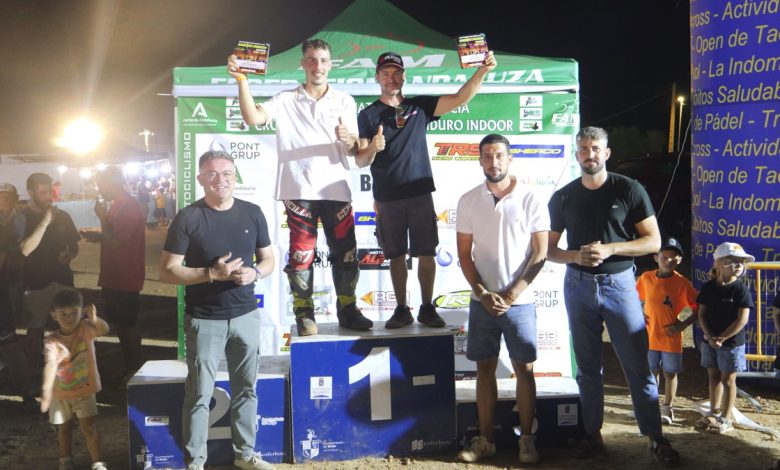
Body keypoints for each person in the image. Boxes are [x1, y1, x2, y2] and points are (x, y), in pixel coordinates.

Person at [547, 126, 679, 466]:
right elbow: (548, 250)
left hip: (619, 285)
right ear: (576, 154)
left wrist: (611, 249)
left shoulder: (629, 189)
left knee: (637, 365)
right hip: (577, 285)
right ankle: (593, 434)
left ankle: (654, 436)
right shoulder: (563, 196)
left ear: (606, 153)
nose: (589, 154)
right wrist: (575, 256)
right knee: (587, 367)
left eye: (595, 148)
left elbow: (653, 241)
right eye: (583, 148)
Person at [228, 38, 371, 336]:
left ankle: (348, 309)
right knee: (301, 254)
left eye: (323, 60)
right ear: (303, 63)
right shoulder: (286, 99)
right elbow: (253, 118)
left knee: (345, 252)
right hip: (298, 190)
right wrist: (242, 81)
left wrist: (349, 139)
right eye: (312, 60)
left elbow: (355, 149)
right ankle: (304, 313)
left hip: (336, 189)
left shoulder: (344, 100)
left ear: (331, 65)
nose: (318, 66)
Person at [356, 50, 496, 329]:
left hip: (420, 193)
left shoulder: (419, 107)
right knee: (395, 256)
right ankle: (401, 309)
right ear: (377, 77)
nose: (392, 78)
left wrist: (482, 70)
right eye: (386, 73)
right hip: (387, 197)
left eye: (397, 73)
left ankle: (427, 307)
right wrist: (373, 147)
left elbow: (461, 98)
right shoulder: (368, 114)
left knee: (427, 253)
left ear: (404, 76)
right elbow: (360, 159)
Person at [159, 150, 275, 470]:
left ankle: (245, 455)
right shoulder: (188, 217)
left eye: (226, 173)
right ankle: (195, 462)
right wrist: (210, 273)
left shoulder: (253, 212)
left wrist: (255, 273)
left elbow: (269, 260)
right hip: (204, 319)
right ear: (200, 179)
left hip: (246, 316)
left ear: (235, 177)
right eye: (212, 174)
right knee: (199, 394)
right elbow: (167, 271)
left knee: (246, 390)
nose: (220, 179)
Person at [455, 134, 548, 464]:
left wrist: (511, 294)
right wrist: (482, 293)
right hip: (482, 302)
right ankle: (486, 441)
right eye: (487, 156)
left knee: (524, 369)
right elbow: (464, 255)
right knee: (484, 369)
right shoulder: (468, 200)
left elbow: (540, 253)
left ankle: (527, 441)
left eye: (499, 155)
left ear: (510, 159)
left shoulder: (531, 198)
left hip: (520, 302)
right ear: (480, 160)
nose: (493, 161)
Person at [81, 166, 146, 379]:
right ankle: (130, 366)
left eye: (101, 185)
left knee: (128, 324)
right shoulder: (118, 205)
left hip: (125, 275)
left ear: (111, 183)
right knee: (121, 323)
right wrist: (99, 236)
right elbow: (112, 236)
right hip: (114, 275)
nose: (99, 190)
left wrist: (101, 218)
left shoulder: (129, 206)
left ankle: (134, 368)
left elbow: (116, 242)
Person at [40, 289, 109, 470]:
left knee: (89, 428)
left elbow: (104, 329)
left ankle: (97, 462)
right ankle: (65, 459)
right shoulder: (51, 341)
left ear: (82, 312)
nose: (69, 318)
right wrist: (46, 390)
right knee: (64, 429)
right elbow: (50, 365)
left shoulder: (86, 329)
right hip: (60, 394)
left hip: (85, 391)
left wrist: (95, 319)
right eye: (63, 314)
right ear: (54, 315)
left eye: (73, 313)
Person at [19, 172, 80, 374]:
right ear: (30, 192)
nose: (49, 197)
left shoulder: (63, 216)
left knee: (68, 327)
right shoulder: (22, 218)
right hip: (35, 284)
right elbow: (24, 250)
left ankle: (68, 370)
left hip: (62, 280)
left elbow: (74, 245)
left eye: (50, 192)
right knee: (35, 330)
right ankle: (34, 371)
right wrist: (44, 222)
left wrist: (69, 255)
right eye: (43, 192)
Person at [636, 237, 698, 424]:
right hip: (649, 336)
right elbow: (633, 298)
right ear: (656, 257)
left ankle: (667, 407)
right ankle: (651, 406)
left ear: (679, 260)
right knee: (651, 372)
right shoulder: (646, 278)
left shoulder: (682, 283)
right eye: (664, 257)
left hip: (671, 338)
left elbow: (698, 307)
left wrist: (681, 325)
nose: (669, 260)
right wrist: (639, 313)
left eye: (674, 257)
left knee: (670, 373)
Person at [695, 242, 754, 434]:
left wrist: (722, 337)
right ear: (719, 263)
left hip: (732, 344)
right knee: (713, 377)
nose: (739, 265)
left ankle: (726, 419)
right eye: (733, 261)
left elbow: (742, 319)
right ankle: (714, 412)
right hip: (709, 341)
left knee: (728, 380)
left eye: (741, 262)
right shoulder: (708, 287)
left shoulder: (740, 289)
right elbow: (701, 314)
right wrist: (710, 336)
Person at [0, 183, 35, 412]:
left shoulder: (10, 225)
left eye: (6, 197)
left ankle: (27, 394)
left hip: (6, 288)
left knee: (9, 344)